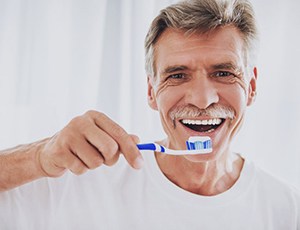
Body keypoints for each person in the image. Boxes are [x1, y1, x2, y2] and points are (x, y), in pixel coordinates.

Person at [0, 0, 299, 229]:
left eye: (223, 73)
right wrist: (38, 158)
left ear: (252, 86)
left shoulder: (286, 209)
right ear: (151, 91)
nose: (203, 99)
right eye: (178, 75)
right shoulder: (80, 181)